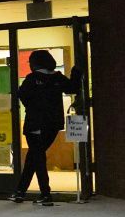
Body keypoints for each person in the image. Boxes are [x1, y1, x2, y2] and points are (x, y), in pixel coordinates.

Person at [10, 50, 83, 206]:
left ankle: (45, 194)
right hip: (53, 125)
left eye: (30, 62)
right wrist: (76, 72)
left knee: (37, 158)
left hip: (34, 124)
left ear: (35, 63)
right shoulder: (57, 78)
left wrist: (33, 107)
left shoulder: (32, 79)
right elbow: (73, 88)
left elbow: (21, 95)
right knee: (35, 156)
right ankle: (20, 192)